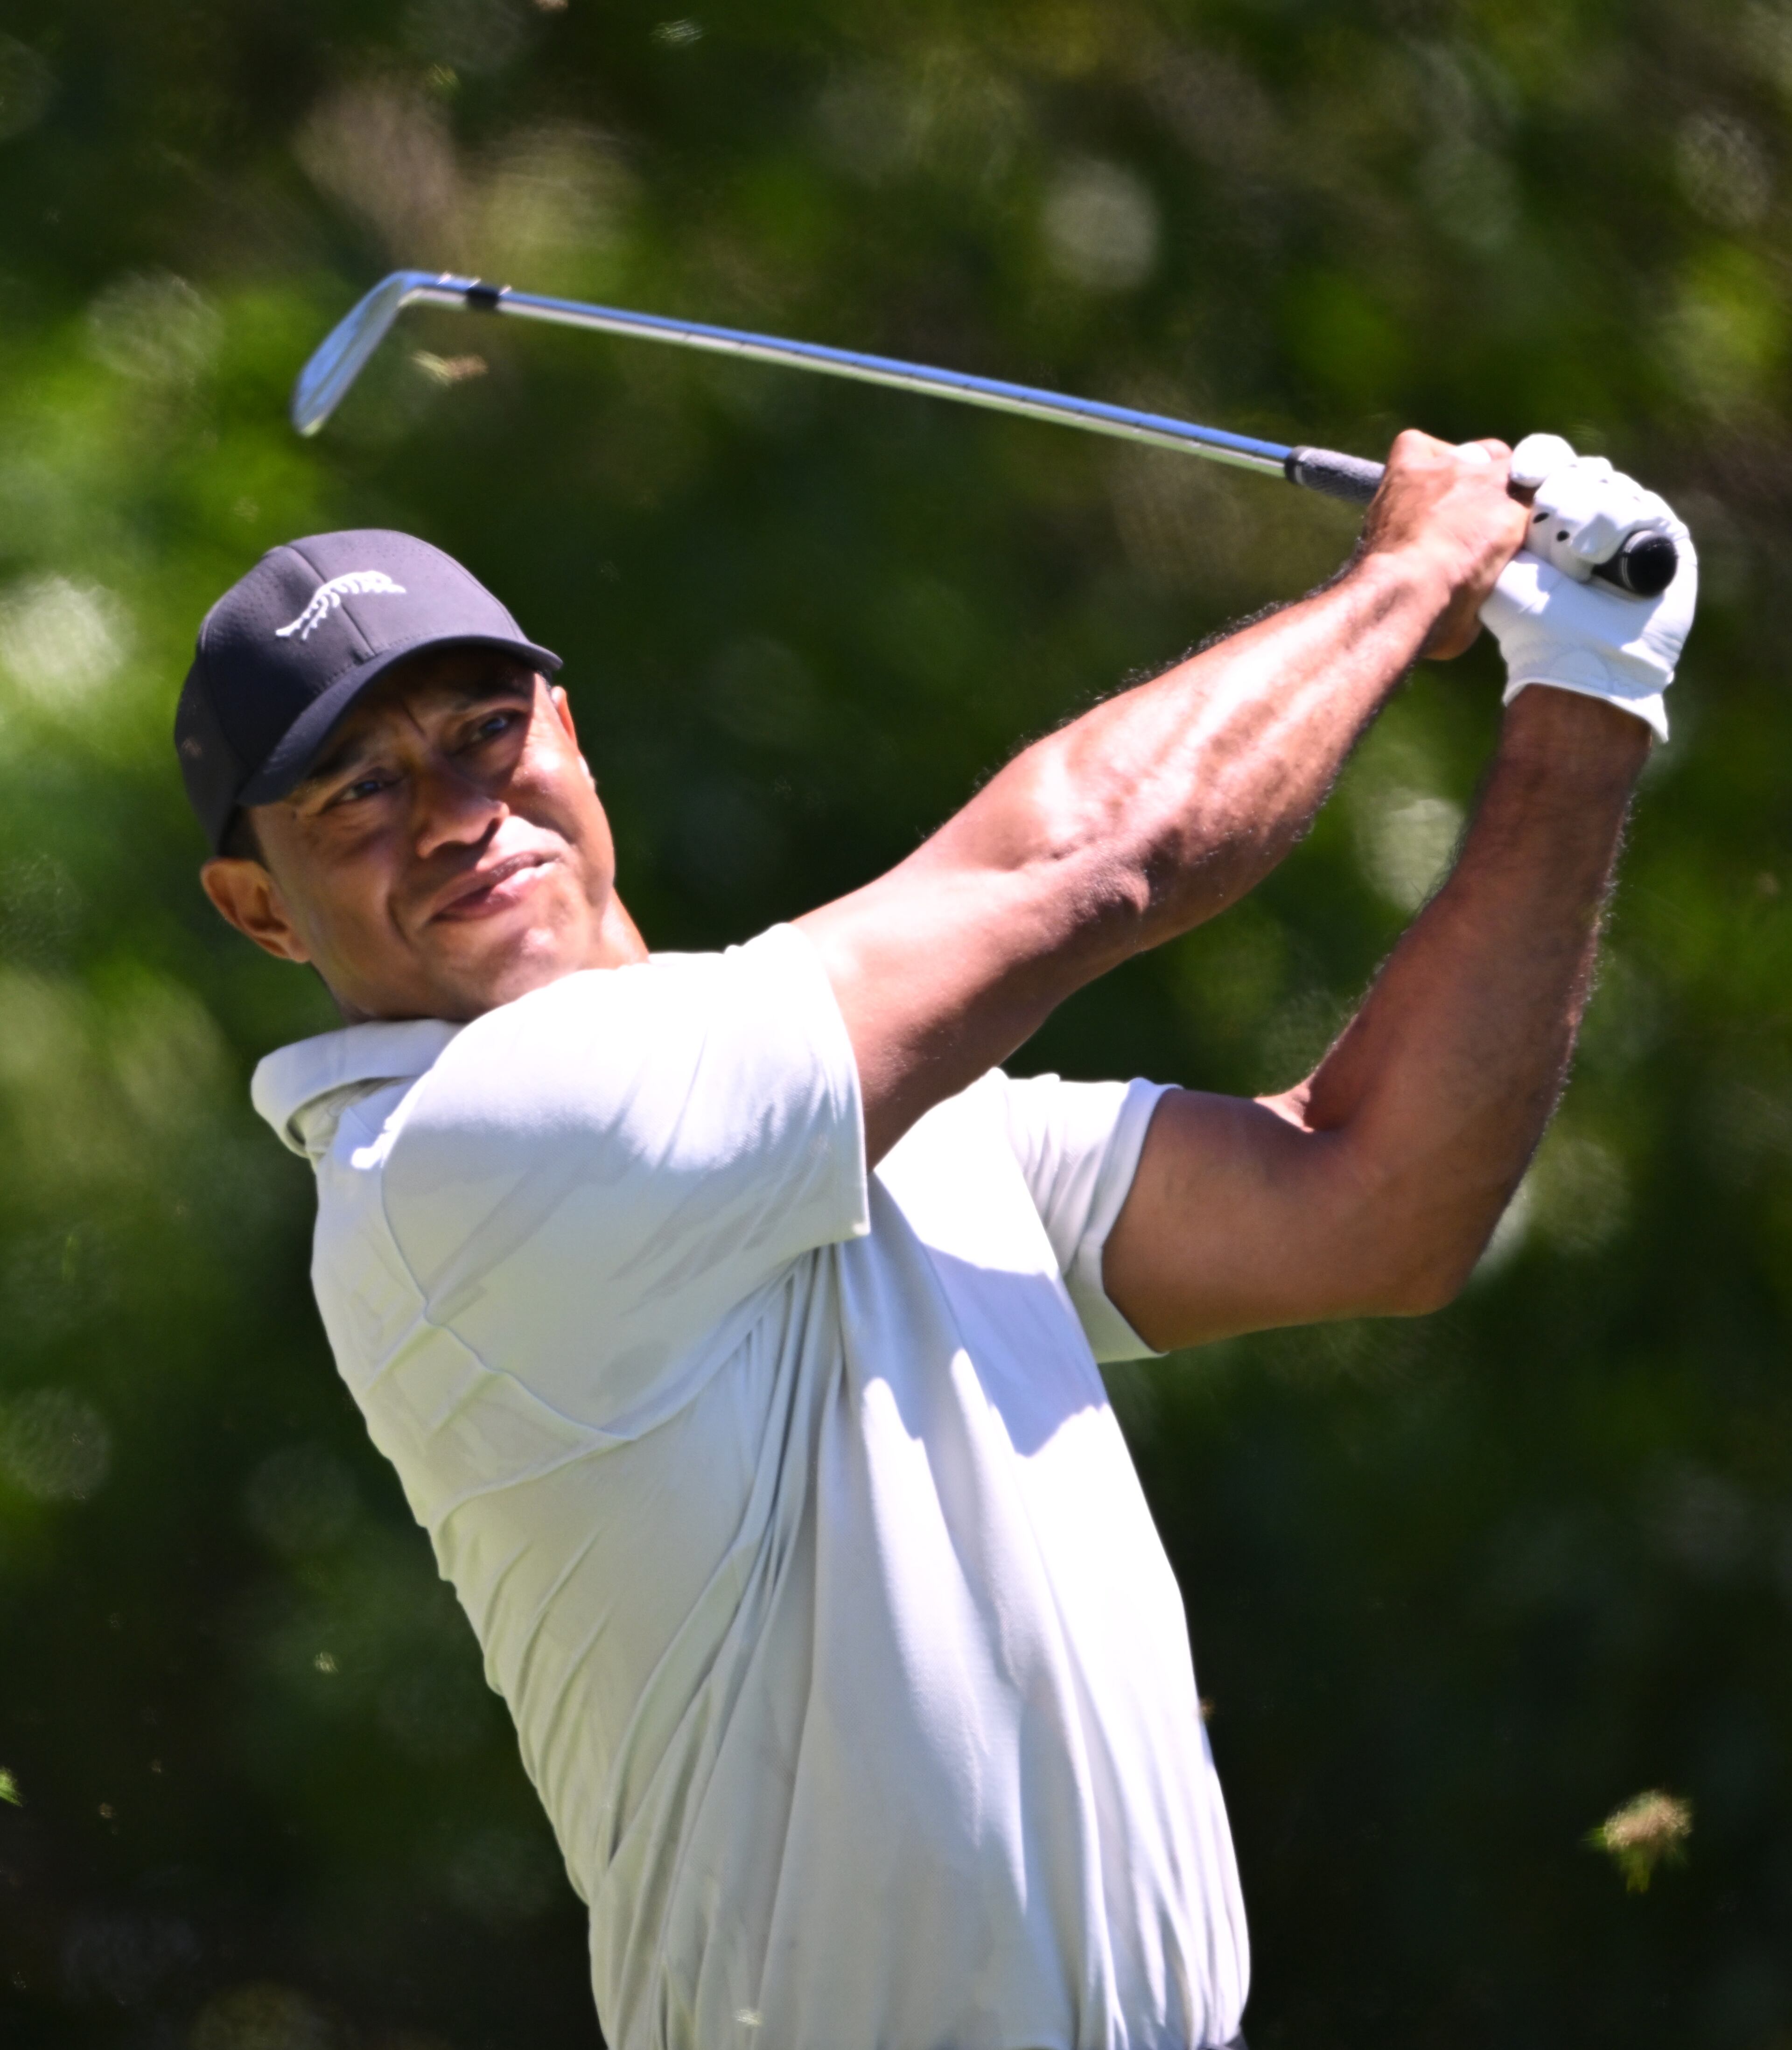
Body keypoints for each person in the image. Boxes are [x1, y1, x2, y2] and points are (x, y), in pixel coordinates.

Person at [177, 429, 1694, 2050]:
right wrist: (1408, 576)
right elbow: (1096, 857)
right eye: (361, 792)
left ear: (571, 731)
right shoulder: (458, 1161)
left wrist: (1586, 701)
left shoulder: (854, 1110)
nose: (461, 813)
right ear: (262, 909)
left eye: (488, 731)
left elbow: (1374, 1200)